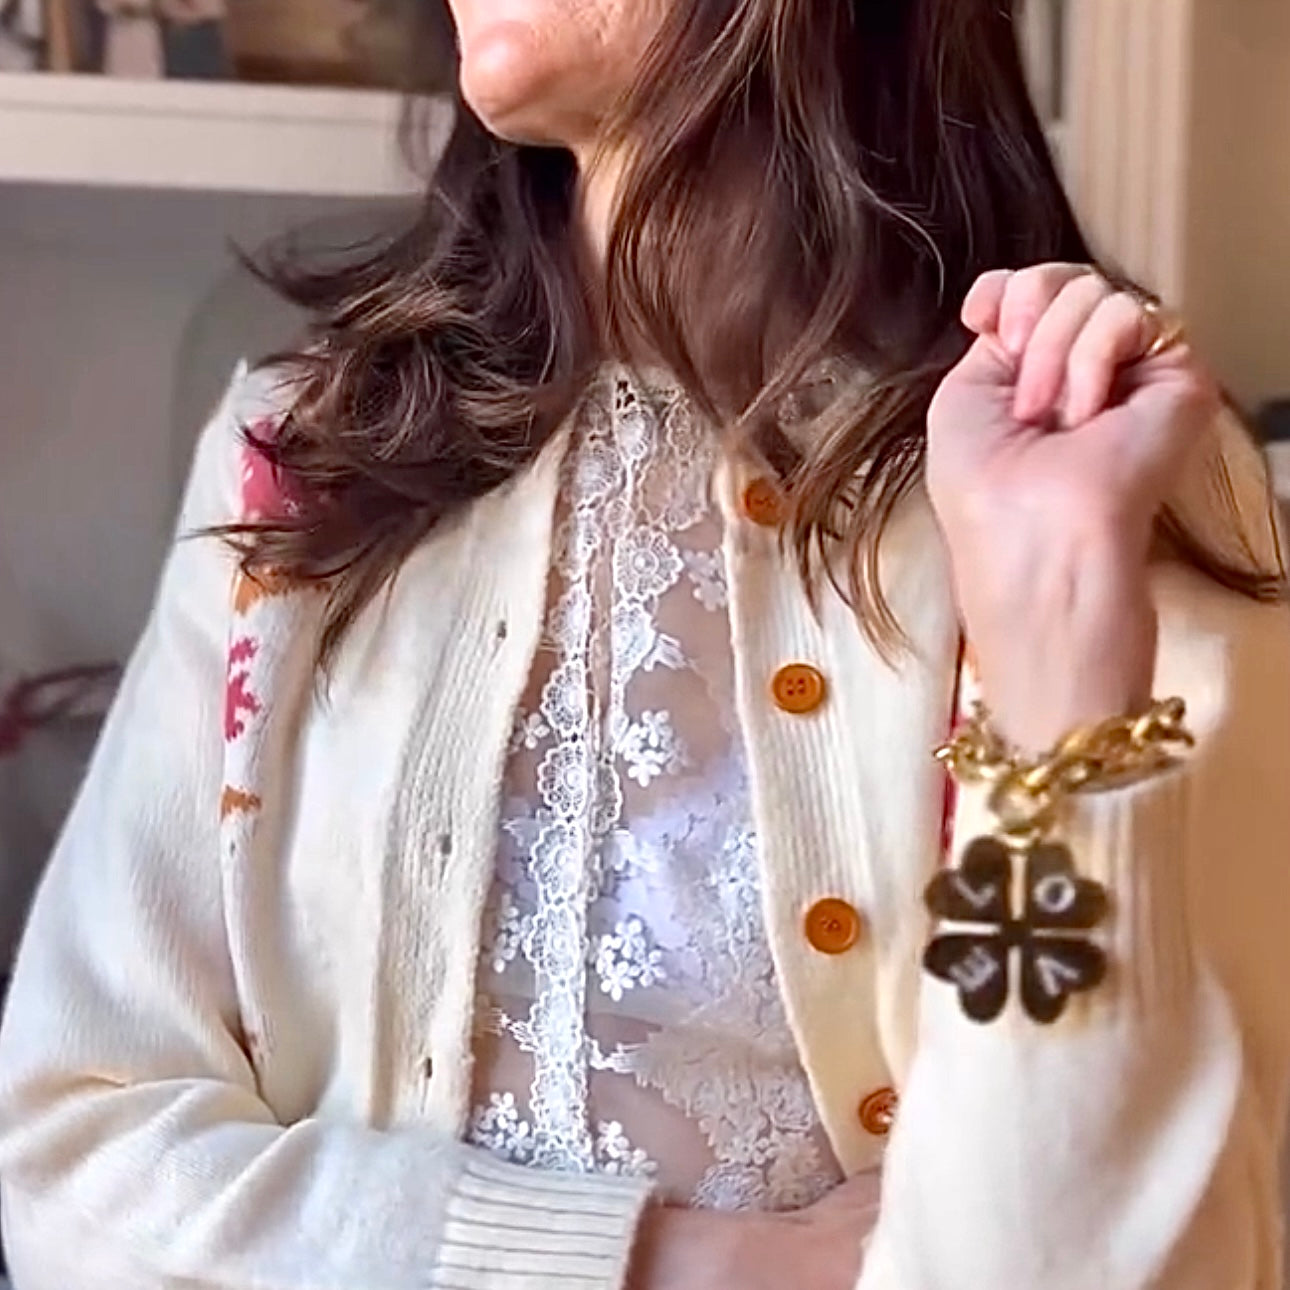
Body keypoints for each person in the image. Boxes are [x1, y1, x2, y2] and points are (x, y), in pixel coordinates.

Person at [2, 1, 1289, 1287]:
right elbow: (68, 1160)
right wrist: (706, 1266)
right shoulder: (297, 462)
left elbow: (1129, 1258)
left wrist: (1055, 673)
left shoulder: (1112, 479)